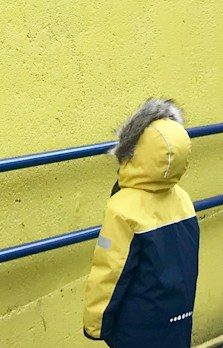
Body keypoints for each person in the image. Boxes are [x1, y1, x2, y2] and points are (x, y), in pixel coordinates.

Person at [82, 98, 200, 347]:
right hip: (177, 318)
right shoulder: (183, 200)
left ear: (132, 150)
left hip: (137, 326)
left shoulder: (123, 208)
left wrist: (96, 324)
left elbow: (110, 271)